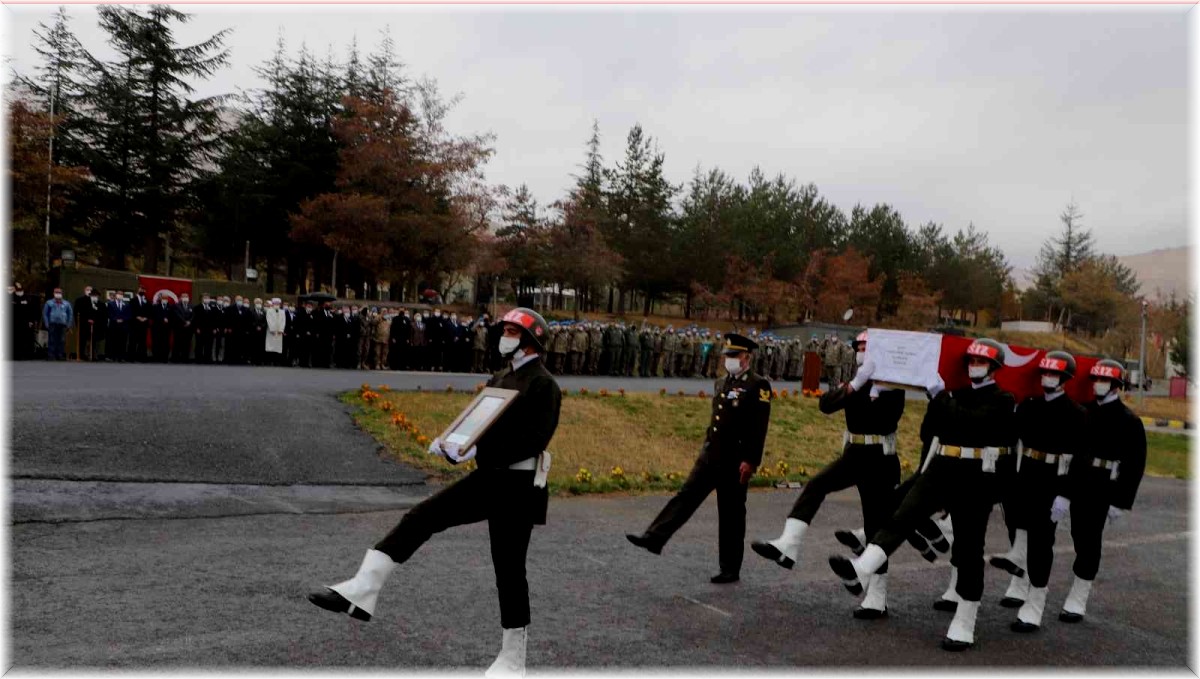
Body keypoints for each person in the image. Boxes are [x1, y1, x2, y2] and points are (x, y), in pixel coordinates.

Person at [308, 307, 561, 677]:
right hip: (491, 477)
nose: (504, 335)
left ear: (531, 338)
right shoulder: (503, 375)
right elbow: (481, 423)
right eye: (504, 329)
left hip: (517, 486)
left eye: (511, 330)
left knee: (508, 569)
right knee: (422, 516)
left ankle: (513, 659)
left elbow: (534, 439)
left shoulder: (543, 385)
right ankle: (363, 589)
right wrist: (457, 443)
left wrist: (477, 448)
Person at [828, 337, 1017, 651]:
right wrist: (940, 397)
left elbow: (970, 424)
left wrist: (939, 395)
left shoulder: (1002, 399)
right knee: (900, 516)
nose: (974, 367)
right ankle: (860, 569)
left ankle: (965, 619)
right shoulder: (954, 394)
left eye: (981, 363)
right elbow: (932, 428)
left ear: (994, 368)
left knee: (970, 547)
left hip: (975, 477)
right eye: (970, 362)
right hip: (942, 466)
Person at [752, 330, 904, 619]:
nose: (861, 350)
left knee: (874, 525)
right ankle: (789, 544)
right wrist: (855, 386)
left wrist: (873, 390)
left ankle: (877, 597)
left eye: (866, 347)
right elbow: (825, 405)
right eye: (858, 346)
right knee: (816, 484)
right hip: (854, 455)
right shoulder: (853, 380)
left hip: (880, 459)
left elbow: (885, 419)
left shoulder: (893, 385)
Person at [626, 333, 772, 583]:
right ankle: (654, 537)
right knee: (685, 496)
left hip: (735, 460)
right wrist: (707, 444)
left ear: (747, 357)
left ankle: (730, 568)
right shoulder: (721, 383)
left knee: (731, 514)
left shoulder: (758, 385)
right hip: (711, 454)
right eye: (727, 356)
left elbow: (759, 428)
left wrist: (751, 461)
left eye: (734, 356)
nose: (730, 360)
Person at [993, 350, 1088, 632]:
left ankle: (1035, 602)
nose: (1048, 378)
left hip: (1054, 480)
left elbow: (1081, 457)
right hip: (1027, 474)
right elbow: (1010, 431)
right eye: (1045, 373)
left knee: (1041, 542)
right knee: (1015, 525)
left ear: (1065, 378)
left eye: (1054, 374)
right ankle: (1018, 564)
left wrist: (1066, 494)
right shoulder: (1029, 406)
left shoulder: (1077, 413)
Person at [1051, 358, 1146, 625]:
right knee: (1078, 533)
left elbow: (1134, 464)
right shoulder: (1084, 412)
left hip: (1105, 485)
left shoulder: (1129, 421)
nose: (1099, 385)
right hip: (1080, 479)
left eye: (1105, 381)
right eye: (1097, 380)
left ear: (1116, 385)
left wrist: (1121, 500)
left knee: (1090, 539)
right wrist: (1064, 492)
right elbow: (1074, 453)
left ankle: (1079, 594)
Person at [41, 288, 73, 360]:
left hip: (63, 324)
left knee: (62, 340)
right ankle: (51, 355)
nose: (58, 293)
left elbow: (70, 314)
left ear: (62, 293)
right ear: (53, 293)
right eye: (56, 292)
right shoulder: (49, 303)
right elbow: (45, 314)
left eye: (59, 292)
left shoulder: (66, 303)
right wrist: (46, 323)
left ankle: (60, 355)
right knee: (52, 339)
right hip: (52, 323)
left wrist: (69, 324)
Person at [106, 292, 131, 362]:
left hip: (123, 326)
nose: (120, 295)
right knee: (114, 341)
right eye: (119, 294)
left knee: (123, 342)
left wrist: (123, 319)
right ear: (116, 295)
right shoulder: (111, 304)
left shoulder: (127, 304)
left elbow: (129, 315)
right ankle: (113, 356)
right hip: (114, 326)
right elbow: (109, 314)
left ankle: (122, 357)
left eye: (121, 294)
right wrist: (115, 319)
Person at [129, 287, 151, 362]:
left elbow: (149, 311)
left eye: (143, 290)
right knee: (133, 341)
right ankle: (131, 357)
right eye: (141, 289)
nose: (142, 291)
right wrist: (137, 317)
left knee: (142, 342)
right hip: (135, 323)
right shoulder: (132, 300)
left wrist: (146, 318)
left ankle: (141, 357)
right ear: (138, 290)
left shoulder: (147, 301)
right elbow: (131, 310)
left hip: (144, 324)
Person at [171, 294, 194, 363]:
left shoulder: (192, 306)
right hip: (179, 327)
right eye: (184, 297)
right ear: (180, 298)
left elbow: (193, 315)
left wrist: (189, 321)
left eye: (186, 296)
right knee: (177, 343)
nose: (185, 298)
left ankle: (185, 358)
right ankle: (175, 358)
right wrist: (184, 322)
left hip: (188, 328)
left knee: (186, 343)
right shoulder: (176, 305)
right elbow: (177, 315)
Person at [151, 294, 174, 363]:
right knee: (156, 343)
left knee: (166, 343)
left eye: (166, 298)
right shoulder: (155, 306)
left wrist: (168, 320)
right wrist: (162, 319)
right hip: (157, 328)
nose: (165, 299)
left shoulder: (171, 307)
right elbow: (153, 316)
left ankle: (165, 358)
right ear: (160, 299)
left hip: (167, 328)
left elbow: (173, 317)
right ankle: (156, 358)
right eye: (163, 298)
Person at [265, 299, 286, 366]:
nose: (277, 305)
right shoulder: (269, 311)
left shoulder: (282, 312)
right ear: (273, 304)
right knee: (270, 347)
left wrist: (281, 330)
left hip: (279, 332)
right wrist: (272, 329)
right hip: (271, 331)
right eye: (275, 304)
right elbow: (269, 320)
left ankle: (276, 362)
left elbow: (283, 321)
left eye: (278, 304)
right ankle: (269, 361)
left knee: (277, 347)